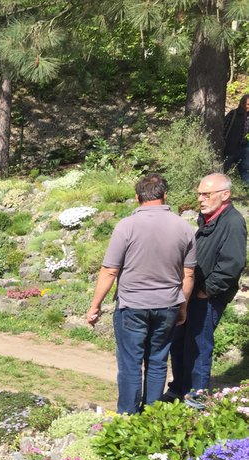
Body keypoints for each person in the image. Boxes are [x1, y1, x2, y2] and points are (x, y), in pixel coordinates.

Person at [86, 173, 196, 415]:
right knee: (157, 362)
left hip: (132, 305)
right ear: (165, 195)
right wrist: (183, 306)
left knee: (130, 363)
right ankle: (152, 416)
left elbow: (109, 270)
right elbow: (188, 274)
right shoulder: (184, 227)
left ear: (137, 197)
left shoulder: (126, 226)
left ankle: (128, 415)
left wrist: (95, 305)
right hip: (167, 305)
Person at [166, 172, 247, 406]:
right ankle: (178, 389)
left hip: (208, 297)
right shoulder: (210, 219)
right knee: (179, 341)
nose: (201, 199)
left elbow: (232, 263)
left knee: (198, 346)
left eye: (206, 194)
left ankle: (196, 399)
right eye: (199, 194)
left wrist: (207, 290)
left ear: (225, 195)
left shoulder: (232, 222)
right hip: (193, 293)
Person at [222, 96, 249, 185]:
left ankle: (247, 189)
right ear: (242, 104)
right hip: (230, 148)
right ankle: (219, 189)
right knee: (223, 171)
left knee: (245, 171)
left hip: (243, 148)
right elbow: (224, 128)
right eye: (248, 104)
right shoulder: (233, 114)